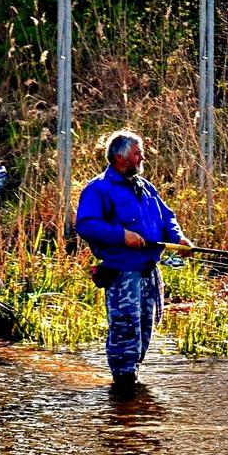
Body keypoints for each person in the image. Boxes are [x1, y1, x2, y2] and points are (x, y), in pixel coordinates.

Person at [74, 130, 193, 393]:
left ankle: (131, 383)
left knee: (146, 329)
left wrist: (180, 239)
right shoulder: (98, 189)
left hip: (149, 272)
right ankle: (123, 387)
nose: (142, 158)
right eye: (137, 153)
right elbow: (85, 224)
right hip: (122, 273)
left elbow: (167, 217)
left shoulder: (145, 186)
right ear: (119, 158)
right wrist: (121, 235)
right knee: (125, 330)